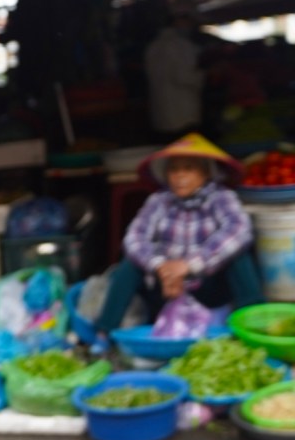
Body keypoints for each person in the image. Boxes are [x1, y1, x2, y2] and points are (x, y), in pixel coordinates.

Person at [92, 134, 264, 348]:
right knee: (129, 264)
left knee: (240, 257)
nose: (180, 176)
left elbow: (239, 230)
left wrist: (190, 265)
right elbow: (134, 238)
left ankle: (256, 330)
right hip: (166, 288)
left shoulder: (221, 198)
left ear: (205, 173)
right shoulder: (158, 201)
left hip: (207, 287)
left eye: (189, 168)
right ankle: (103, 334)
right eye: (174, 169)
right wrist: (160, 266)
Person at [144, 0, 206, 142]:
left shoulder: (153, 47)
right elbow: (186, 77)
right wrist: (207, 74)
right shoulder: (181, 46)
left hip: (161, 117)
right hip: (183, 117)